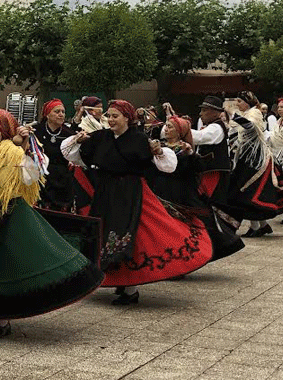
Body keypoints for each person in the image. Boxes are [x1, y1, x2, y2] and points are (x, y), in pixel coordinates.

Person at [0, 108, 100, 339]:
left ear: (1, 129)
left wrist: (24, 150)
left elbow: (32, 176)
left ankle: (2, 320)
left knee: (3, 266)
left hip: (7, 214)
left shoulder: (12, 152)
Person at [62, 99, 213, 305]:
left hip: (131, 192)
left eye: (115, 116)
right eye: (109, 116)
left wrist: (158, 151)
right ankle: (121, 283)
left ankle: (130, 290)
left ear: (127, 117)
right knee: (104, 234)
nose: (111, 119)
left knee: (134, 235)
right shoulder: (100, 137)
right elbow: (73, 154)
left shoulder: (139, 139)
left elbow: (166, 165)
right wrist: (77, 141)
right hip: (105, 193)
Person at [147, 115, 244, 263]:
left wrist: (190, 154)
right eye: (166, 126)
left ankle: (184, 259)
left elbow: (198, 168)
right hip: (161, 191)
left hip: (181, 194)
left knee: (184, 228)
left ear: (180, 131)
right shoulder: (159, 148)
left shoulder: (186, 149)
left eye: (170, 126)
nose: (166, 129)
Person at [217, 91, 283, 237]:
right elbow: (238, 134)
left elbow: (251, 128)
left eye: (240, 101)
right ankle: (261, 226)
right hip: (245, 158)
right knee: (245, 193)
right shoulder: (246, 114)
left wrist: (234, 115)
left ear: (247, 102)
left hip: (255, 161)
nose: (237, 104)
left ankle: (257, 226)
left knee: (245, 192)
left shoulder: (254, 113)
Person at [29, 99, 77, 212]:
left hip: (63, 179)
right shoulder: (36, 131)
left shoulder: (69, 134)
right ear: (47, 114)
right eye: (57, 111)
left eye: (63, 112)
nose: (61, 114)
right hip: (42, 178)